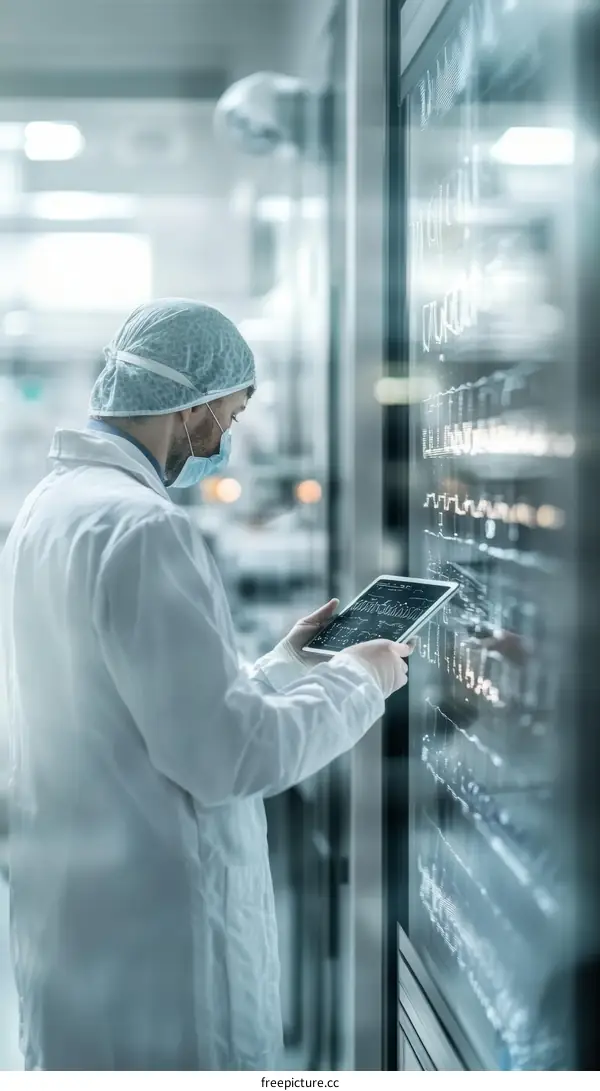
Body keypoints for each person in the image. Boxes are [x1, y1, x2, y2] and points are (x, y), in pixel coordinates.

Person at [0, 298, 411, 1071]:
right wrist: (363, 679)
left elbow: (134, 706)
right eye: (233, 412)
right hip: (161, 951)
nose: (227, 436)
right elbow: (230, 757)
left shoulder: (53, 508)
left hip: (83, 926)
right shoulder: (146, 527)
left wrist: (285, 665)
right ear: (191, 406)